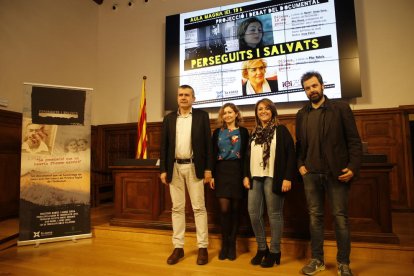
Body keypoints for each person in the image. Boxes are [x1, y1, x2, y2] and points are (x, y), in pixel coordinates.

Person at [296, 71, 362, 276]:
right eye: (307, 88)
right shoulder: (301, 114)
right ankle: (317, 260)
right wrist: (300, 165)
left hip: (337, 175)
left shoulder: (340, 108)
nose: (311, 90)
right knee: (315, 218)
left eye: (314, 86)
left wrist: (353, 167)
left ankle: (343, 263)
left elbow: (354, 141)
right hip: (311, 175)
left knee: (340, 219)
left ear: (322, 86)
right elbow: (300, 146)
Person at [160, 84, 213, 266]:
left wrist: (208, 169)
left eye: (187, 95)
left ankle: (203, 247)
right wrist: (163, 170)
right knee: (177, 208)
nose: (183, 98)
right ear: (177, 98)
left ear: (193, 99)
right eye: (180, 95)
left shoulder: (202, 116)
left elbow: (208, 144)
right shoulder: (168, 119)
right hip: (174, 167)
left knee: (199, 208)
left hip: (194, 168)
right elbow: (164, 146)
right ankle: (178, 247)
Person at [243, 98, 296, 268]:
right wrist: (245, 175)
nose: (263, 111)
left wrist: (287, 177)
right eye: (260, 109)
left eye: (267, 108)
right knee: (253, 213)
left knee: (274, 215)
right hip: (255, 177)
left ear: (273, 111)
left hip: (274, 177)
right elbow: (247, 156)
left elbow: (290, 155)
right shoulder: (254, 132)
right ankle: (262, 248)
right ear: (256, 113)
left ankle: (275, 251)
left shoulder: (281, 130)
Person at [210, 103, 249, 261]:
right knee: (224, 210)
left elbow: (247, 156)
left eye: (230, 112)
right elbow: (212, 154)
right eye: (224, 113)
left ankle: (232, 244)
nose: (227, 115)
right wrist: (211, 174)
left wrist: (246, 175)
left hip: (238, 171)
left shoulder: (244, 132)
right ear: (222, 116)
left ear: (236, 114)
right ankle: (224, 244)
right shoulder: (217, 132)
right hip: (221, 172)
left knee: (235, 210)